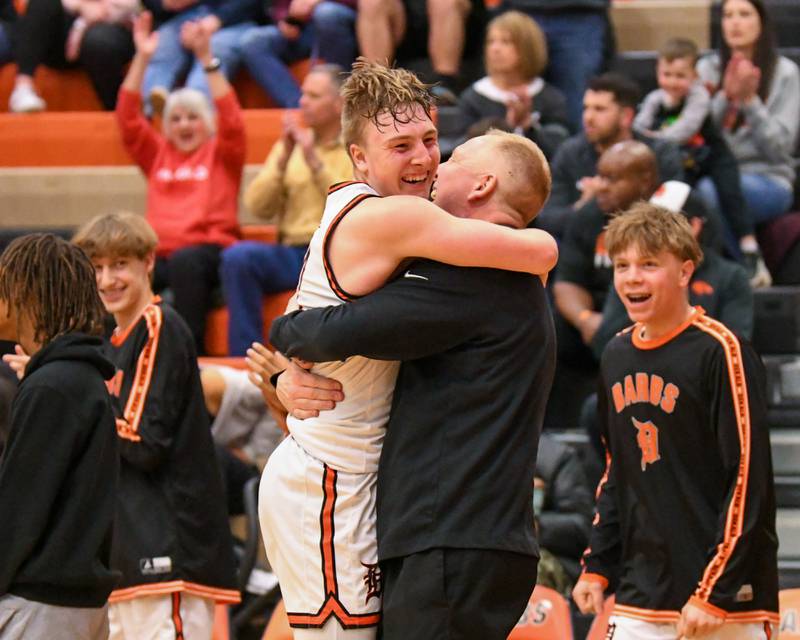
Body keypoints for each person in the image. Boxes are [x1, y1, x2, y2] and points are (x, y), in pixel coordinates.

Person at [251, 59, 557, 640]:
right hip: (330, 476)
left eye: (432, 141)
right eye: (400, 145)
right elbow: (539, 251)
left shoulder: (410, 230)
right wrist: (284, 365)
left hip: (370, 485)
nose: (425, 159)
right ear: (359, 158)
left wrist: (283, 371)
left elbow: (309, 317)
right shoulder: (397, 216)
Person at [573, 203, 778, 640]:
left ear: (685, 272)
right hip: (642, 592)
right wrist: (597, 565)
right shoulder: (616, 353)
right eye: (622, 265)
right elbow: (616, 472)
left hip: (721, 601)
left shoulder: (721, 351)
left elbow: (748, 480)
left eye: (649, 265)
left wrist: (715, 592)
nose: (632, 277)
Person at [71, 211, 238, 638]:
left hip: (168, 551)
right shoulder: (111, 345)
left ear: (148, 262)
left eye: (120, 264)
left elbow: (144, 441)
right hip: (127, 555)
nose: (107, 279)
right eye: (97, 268)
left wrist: (73, 387)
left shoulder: (159, 326)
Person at [0, 234, 118, 639]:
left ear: (27, 293)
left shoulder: (52, 385)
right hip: (75, 605)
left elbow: (19, 509)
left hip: (41, 608)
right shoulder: (81, 377)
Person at [117, 12, 246, 353]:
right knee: (118, 265)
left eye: (193, 117)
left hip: (208, 252)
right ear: (166, 126)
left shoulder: (222, 152)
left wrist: (206, 59)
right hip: (160, 253)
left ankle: (190, 358)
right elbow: (128, 120)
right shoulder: (158, 153)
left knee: (187, 262)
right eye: (175, 118)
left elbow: (232, 120)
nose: (184, 125)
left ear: (206, 123)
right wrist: (143, 58)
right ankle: (114, 354)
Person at [221, 64, 352, 355]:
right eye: (303, 94)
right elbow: (257, 206)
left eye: (313, 96)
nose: (302, 101)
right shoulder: (290, 145)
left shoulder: (354, 147)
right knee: (238, 258)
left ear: (338, 103)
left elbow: (348, 200)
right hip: (293, 252)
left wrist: (313, 161)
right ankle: (246, 358)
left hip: (335, 252)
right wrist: (283, 159)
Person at [633, 37, 769, 286]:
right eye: (667, 74)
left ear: (694, 75)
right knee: (681, 199)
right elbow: (638, 128)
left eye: (680, 75)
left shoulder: (699, 96)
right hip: (685, 161)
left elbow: (684, 130)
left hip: (714, 157)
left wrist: (655, 137)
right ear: (657, 72)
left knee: (730, 195)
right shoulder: (654, 99)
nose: (672, 81)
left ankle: (749, 248)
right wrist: (649, 137)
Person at [696, 0, 800, 278]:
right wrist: (725, 97)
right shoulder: (707, 69)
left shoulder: (785, 73)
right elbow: (699, 135)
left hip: (767, 179)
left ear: (762, 23)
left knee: (707, 194)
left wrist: (750, 101)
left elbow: (781, 148)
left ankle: (744, 269)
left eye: (744, 14)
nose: (735, 22)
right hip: (716, 172)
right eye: (728, 15)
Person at [538, 73, 684, 238]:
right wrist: (585, 205)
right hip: (585, 249)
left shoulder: (660, 153)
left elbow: (675, 212)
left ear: (626, 116)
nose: (588, 117)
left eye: (600, 109)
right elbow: (548, 219)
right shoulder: (570, 153)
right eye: (586, 108)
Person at [456, 10, 570, 160]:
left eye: (505, 42)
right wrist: (507, 126)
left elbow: (559, 150)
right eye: (491, 41)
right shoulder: (472, 98)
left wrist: (528, 126)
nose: (495, 49)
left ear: (528, 48)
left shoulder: (551, 99)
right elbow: (461, 149)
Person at [499, 0, 611, 130]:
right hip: (522, 9)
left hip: (580, 12)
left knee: (580, 103)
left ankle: (573, 150)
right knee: (508, 96)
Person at [7, 0, 136, 112]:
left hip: (112, 28)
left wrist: (93, 17)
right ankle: (23, 88)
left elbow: (130, 7)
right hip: (62, 31)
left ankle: (120, 111)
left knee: (99, 40)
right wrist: (81, 6)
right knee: (42, 3)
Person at [140, 0, 260, 112]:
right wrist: (164, 3)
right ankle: (152, 106)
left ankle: (194, 110)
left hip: (236, 20)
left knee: (215, 49)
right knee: (162, 46)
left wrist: (219, 18)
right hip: (183, 18)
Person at [356, 0, 487, 102]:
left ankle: (444, 85)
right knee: (372, 2)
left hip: (460, 18)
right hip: (404, 19)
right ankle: (375, 83)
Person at [238, 0, 357, 108]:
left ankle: (343, 101)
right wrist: (286, 18)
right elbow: (280, 6)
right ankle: (301, 107)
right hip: (302, 31)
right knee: (254, 41)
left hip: (343, 22)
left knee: (326, 13)